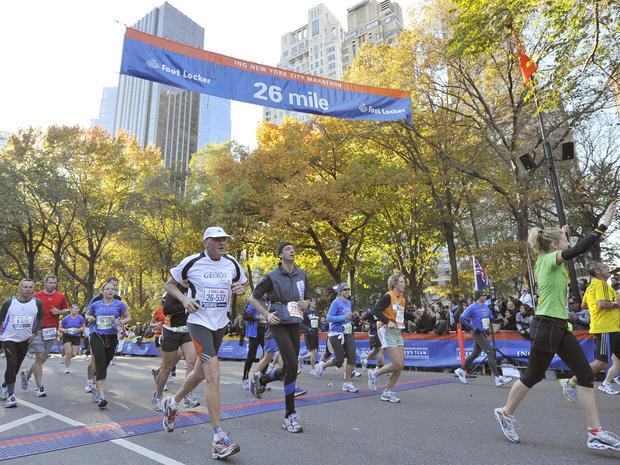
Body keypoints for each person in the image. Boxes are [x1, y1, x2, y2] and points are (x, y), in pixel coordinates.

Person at [494, 201, 620, 451]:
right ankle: (505, 413)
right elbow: (578, 249)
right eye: (564, 240)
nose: (568, 243)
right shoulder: (548, 259)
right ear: (554, 246)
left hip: (560, 327)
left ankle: (594, 433)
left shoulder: (551, 258)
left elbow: (566, 247)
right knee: (533, 375)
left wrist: (562, 233)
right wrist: (603, 225)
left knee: (585, 374)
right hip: (546, 325)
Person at [161, 226, 246, 460]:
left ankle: (173, 402)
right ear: (206, 242)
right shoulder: (191, 262)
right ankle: (219, 439)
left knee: (199, 372)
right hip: (199, 323)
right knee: (213, 374)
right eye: (218, 240)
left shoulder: (232, 263)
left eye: (225, 240)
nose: (223, 244)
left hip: (220, 324)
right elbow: (169, 284)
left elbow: (242, 284)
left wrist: (240, 288)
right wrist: (184, 298)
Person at [248, 242, 310, 433]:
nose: (292, 250)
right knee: (293, 363)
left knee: (291, 366)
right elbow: (253, 298)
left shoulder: (302, 274)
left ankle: (263, 380)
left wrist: (306, 303)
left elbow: (307, 298)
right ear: (280, 255)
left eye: (293, 248)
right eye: (287, 249)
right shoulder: (272, 276)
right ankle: (289, 415)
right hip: (277, 323)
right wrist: (266, 315)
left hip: (294, 322)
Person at [560, 261, 620, 397]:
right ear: (597, 272)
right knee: (602, 363)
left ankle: (607, 383)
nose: (608, 268)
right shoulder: (601, 284)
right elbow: (602, 304)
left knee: (618, 360)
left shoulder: (591, 286)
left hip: (610, 327)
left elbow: (584, 305)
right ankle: (570, 382)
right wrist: (617, 303)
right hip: (606, 327)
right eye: (605, 267)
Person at [152, 286, 199, 411]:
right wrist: (186, 303)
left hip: (187, 330)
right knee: (167, 367)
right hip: (171, 330)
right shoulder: (174, 289)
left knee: (192, 360)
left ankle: (188, 396)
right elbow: (167, 310)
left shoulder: (196, 287)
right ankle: (158, 396)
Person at [21, 274, 69, 397]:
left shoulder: (60, 296)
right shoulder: (36, 297)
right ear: (45, 283)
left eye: (54, 283)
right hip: (38, 330)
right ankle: (39, 388)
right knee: (39, 357)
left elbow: (66, 310)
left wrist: (58, 312)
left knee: (42, 359)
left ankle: (26, 375)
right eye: (50, 282)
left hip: (52, 331)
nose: (53, 285)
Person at [86, 281, 131, 408]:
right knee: (100, 363)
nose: (110, 291)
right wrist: (89, 318)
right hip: (97, 335)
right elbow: (87, 314)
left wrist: (120, 321)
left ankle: (95, 386)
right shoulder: (96, 304)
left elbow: (129, 317)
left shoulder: (119, 304)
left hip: (111, 337)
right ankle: (101, 396)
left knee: (105, 363)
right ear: (103, 292)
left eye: (112, 289)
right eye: (107, 289)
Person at [0, 279, 44, 408]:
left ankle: (4, 386)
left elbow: (41, 317)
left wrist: (34, 332)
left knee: (17, 365)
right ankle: (11, 396)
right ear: (19, 289)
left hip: (25, 339)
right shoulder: (9, 303)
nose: (28, 289)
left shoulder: (37, 303)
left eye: (30, 287)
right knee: (12, 364)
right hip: (9, 338)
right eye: (25, 287)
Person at [454, 291, 512, 387]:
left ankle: (461, 370)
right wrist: (472, 327)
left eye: (485, 295)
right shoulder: (473, 307)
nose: (485, 297)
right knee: (490, 352)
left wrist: (501, 320)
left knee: (475, 354)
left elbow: (492, 319)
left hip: (484, 333)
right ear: (478, 297)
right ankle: (498, 378)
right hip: (477, 333)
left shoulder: (486, 307)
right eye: (483, 295)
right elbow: (462, 318)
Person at [366, 274, 407, 403]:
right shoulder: (388, 296)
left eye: (404, 282)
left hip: (397, 331)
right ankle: (374, 374)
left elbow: (400, 315)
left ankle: (387, 392)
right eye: (401, 282)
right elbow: (375, 311)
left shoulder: (402, 299)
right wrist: (387, 321)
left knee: (400, 366)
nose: (404, 284)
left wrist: (414, 315)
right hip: (385, 330)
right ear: (394, 284)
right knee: (397, 363)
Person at [314, 283, 359, 392]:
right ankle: (322, 366)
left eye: (349, 289)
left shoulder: (348, 303)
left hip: (347, 332)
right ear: (340, 291)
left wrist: (354, 316)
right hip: (336, 333)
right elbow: (329, 318)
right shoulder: (336, 302)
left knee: (352, 356)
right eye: (345, 289)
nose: (347, 291)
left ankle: (347, 383)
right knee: (339, 360)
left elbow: (347, 318)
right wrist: (343, 317)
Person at [83, 277, 122, 393]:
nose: (113, 288)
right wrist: (90, 317)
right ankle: (90, 381)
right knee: (94, 361)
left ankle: (97, 380)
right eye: (112, 286)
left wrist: (119, 327)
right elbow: (86, 312)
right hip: (96, 332)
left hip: (111, 333)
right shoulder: (97, 298)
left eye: (115, 287)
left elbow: (120, 316)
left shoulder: (118, 300)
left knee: (106, 360)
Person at [241, 297, 267, 389]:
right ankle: (245, 378)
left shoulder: (270, 302)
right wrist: (257, 317)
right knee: (251, 356)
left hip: (266, 332)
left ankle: (261, 381)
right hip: (255, 332)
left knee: (267, 356)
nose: (266, 294)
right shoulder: (253, 301)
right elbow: (245, 315)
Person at [60, 304, 86, 374]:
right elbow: (60, 328)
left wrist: (79, 329)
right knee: (68, 352)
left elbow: (84, 327)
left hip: (76, 336)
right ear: (71, 310)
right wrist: (64, 330)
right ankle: (67, 368)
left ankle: (67, 359)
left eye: (77, 309)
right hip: (67, 336)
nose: (75, 310)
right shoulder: (65, 319)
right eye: (74, 309)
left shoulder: (80, 318)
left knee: (74, 354)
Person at [299, 298, 321, 374]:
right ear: (310, 303)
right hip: (309, 334)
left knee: (315, 352)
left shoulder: (317, 312)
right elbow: (301, 323)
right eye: (313, 302)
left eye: (315, 302)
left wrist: (320, 328)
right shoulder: (305, 312)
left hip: (315, 333)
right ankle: (312, 369)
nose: (314, 303)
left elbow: (318, 322)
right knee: (314, 351)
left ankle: (301, 358)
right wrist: (308, 329)